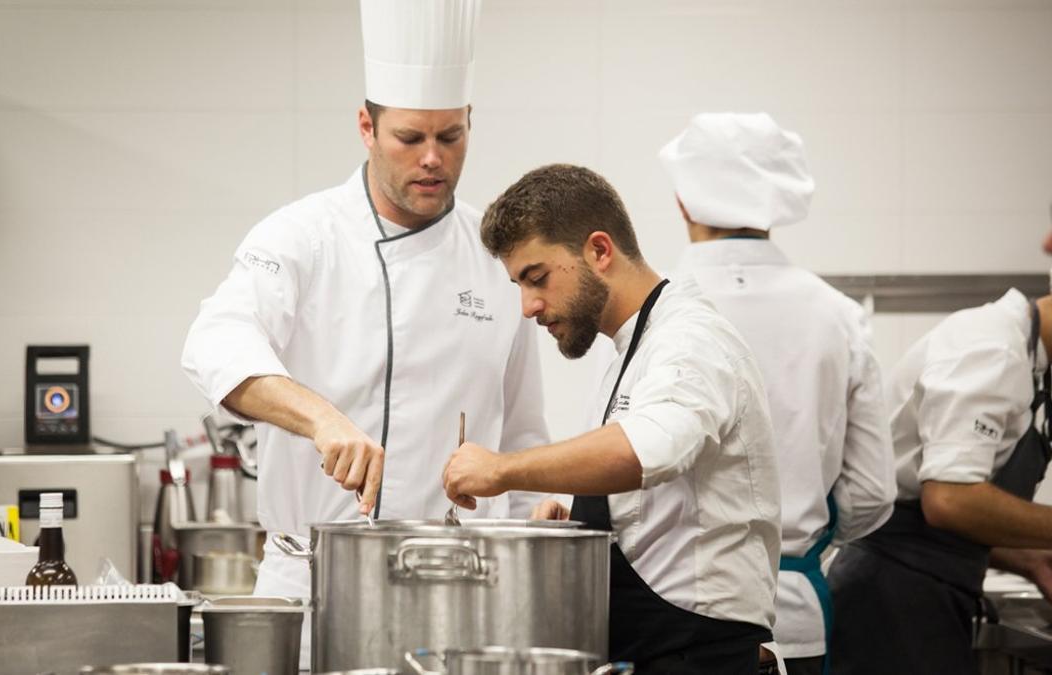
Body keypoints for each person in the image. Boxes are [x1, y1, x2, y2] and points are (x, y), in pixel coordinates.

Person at [181, 0, 548, 664]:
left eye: (451, 136)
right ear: (366, 126)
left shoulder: (497, 260)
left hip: (463, 598)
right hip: (314, 592)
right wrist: (320, 418)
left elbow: (522, 439)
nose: (433, 159)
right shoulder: (302, 236)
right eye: (410, 138)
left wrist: (542, 516)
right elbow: (214, 341)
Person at [441, 163, 781, 674]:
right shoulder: (626, 348)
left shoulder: (689, 340)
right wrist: (578, 523)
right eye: (518, 285)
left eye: (537, 279)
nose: (528, 307)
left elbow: (645, 449)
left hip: (699, 660)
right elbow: (654, 508)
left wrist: (500, 469)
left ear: (599, 251)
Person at [663, 112, 896, 675]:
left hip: (674, 617)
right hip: (793, 614)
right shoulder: (838, 315)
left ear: (684, 202)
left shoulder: (656, 308)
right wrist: (799, 533)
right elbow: (871, 493)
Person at [826, 285, 1052, 674]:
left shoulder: (1025, 359)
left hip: (919, 588)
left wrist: (1029, 559)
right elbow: (950, 500)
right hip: (892, 596)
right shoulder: (993, 349)